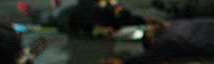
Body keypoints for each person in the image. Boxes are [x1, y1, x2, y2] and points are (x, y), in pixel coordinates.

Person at [18, 0, 146, 35]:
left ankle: (30, 11)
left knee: (50, 20)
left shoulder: (113, 18)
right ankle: (59, 6)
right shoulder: (111, 11)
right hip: (74, 14)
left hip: (71, 17)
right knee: (51, 19)